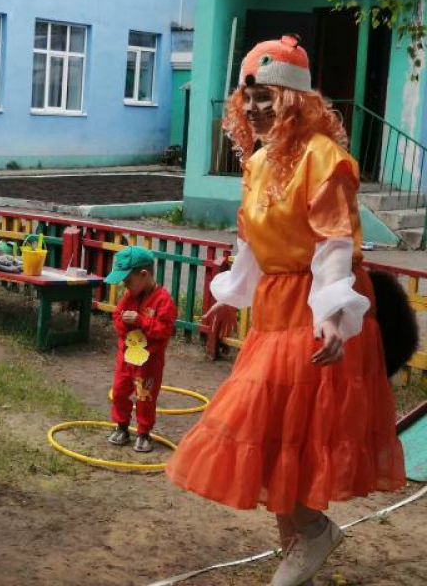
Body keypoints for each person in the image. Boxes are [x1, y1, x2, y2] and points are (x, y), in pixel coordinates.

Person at [165, 35, 406, 586]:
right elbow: (251, 240)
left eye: (266, 97)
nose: (254, 108)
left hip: (314, 304)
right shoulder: (258, 162)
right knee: (274, 434)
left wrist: (333, 314)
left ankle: (313, 531)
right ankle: (298, 547)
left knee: (272, 423)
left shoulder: (325, 159)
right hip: (274, 308)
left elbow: (334, 242)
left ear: (293, 100)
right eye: (248, 99)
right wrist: (231, 298)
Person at [105, 246, 176, 453]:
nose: (124, 285)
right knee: (119, 392)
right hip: (126, 358)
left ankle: (144, 432)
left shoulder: (163, 300)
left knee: (145, 397)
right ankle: (121, 427)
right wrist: (124, 323)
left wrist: (141, 321)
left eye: (127, 281)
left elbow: (164, 331)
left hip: (149, 363)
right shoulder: (129, 296)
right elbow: (117, 318)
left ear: (144, 275)